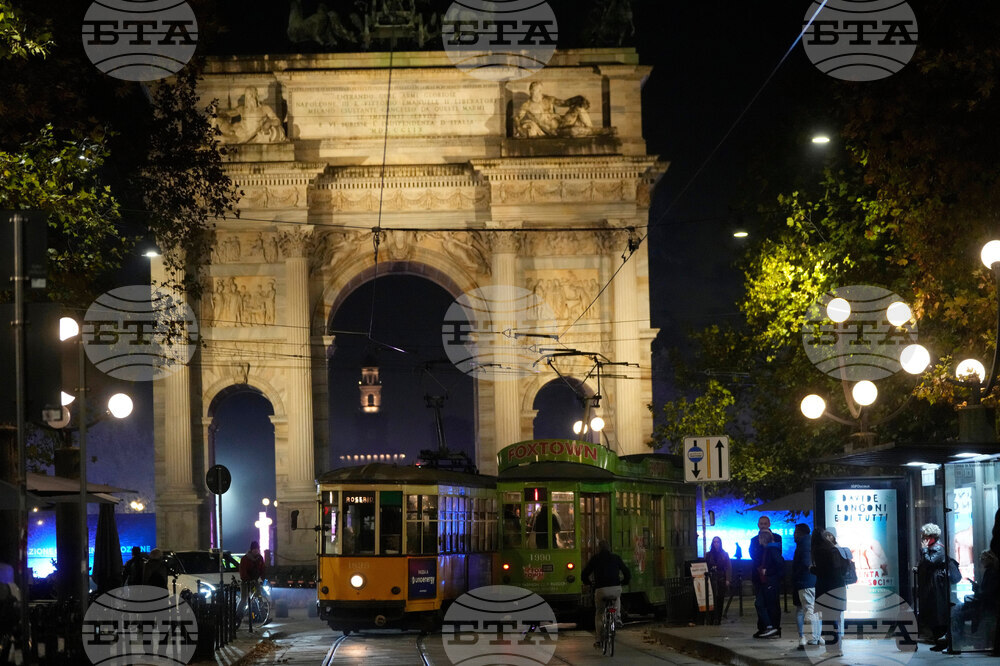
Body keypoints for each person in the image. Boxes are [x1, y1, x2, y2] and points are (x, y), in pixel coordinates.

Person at [947, 549, 999, 655]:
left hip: (985, 606)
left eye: (982, 559)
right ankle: (957, 642)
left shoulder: (991, 573)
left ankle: (957, 643)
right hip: (984, 604)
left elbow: (986, 593)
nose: (980, 561)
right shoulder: (990, 572)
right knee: (957, 610)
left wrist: (976, 589)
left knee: (957, 614)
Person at [582, 539, 631, 648]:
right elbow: (627, 572)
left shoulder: (595, 559)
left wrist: (589, 583)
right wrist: (624, 582)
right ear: (609, 548)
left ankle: (599, 640)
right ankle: (617, 616)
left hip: (601, 590)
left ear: (599, 548)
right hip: (615, 588)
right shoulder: (616, 558)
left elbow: (584, 574)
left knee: (599, 614)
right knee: (617, 597)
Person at [812, 529, 847, 654]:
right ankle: (838, 648)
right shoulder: (835, 550)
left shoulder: (820, 551)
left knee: (828, 620)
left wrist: (813, 570)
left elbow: (824, 572)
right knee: (835, 619)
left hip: (828, 589)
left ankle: (832, 649)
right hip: (839, 587)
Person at [916, 523, 950, 647]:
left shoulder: (938, 548)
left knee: (937, 613)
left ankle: (940, 641)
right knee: (932, 613)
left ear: (931, 536)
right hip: (931, 584)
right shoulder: (933, 547)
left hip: (935, 585)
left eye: (925, 536)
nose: (923, 539)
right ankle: (937, 640)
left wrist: (924, 550)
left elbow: (930, 562)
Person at [750, 516, 783, 637]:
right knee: (760, 603)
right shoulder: (754, 540)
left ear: (769, 524)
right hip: (759, 576)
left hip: (771, 576)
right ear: (758, 525)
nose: (763, 526)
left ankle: (773, 627)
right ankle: (764, 627)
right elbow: (753, 555)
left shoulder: (776, 538)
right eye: (761, 523)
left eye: (765, 523)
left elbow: (778, 557)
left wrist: (768, 542)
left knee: (772, 603)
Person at [792, 524, 823, 649]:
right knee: (810, 609)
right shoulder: (811, 543)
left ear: (799, 532)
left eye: (795, 532)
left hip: (805, 581)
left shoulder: (804, 544)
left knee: (807, 610)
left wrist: (797, 574)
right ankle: (815, 636)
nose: (793, 534)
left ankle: (811, 637)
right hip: (811, 581)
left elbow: (806, 563)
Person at [238, 541, 266, 633]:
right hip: (246, 582)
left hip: (254, 582)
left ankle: (263, 616)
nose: (256, 551)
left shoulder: (260, 559)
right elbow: (243, 571)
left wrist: (264, 579)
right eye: (254, 549)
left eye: (257, 549)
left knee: (259, 596)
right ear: (251, 549)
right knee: (244, 598)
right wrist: (247, 579)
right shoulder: (245, 559)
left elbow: (262, 570)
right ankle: (238, 616)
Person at [705, 536, 732, 625]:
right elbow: (706, 566)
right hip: (711, 578)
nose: (716, 544)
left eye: (718, 542)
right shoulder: (709, 555)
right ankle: (712, 618)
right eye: (714, 542)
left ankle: (718, 618)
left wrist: (727, 579)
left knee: (720, 599)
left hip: (721, 578)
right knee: (712, 599)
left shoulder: (724, 554)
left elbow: (728, 567)